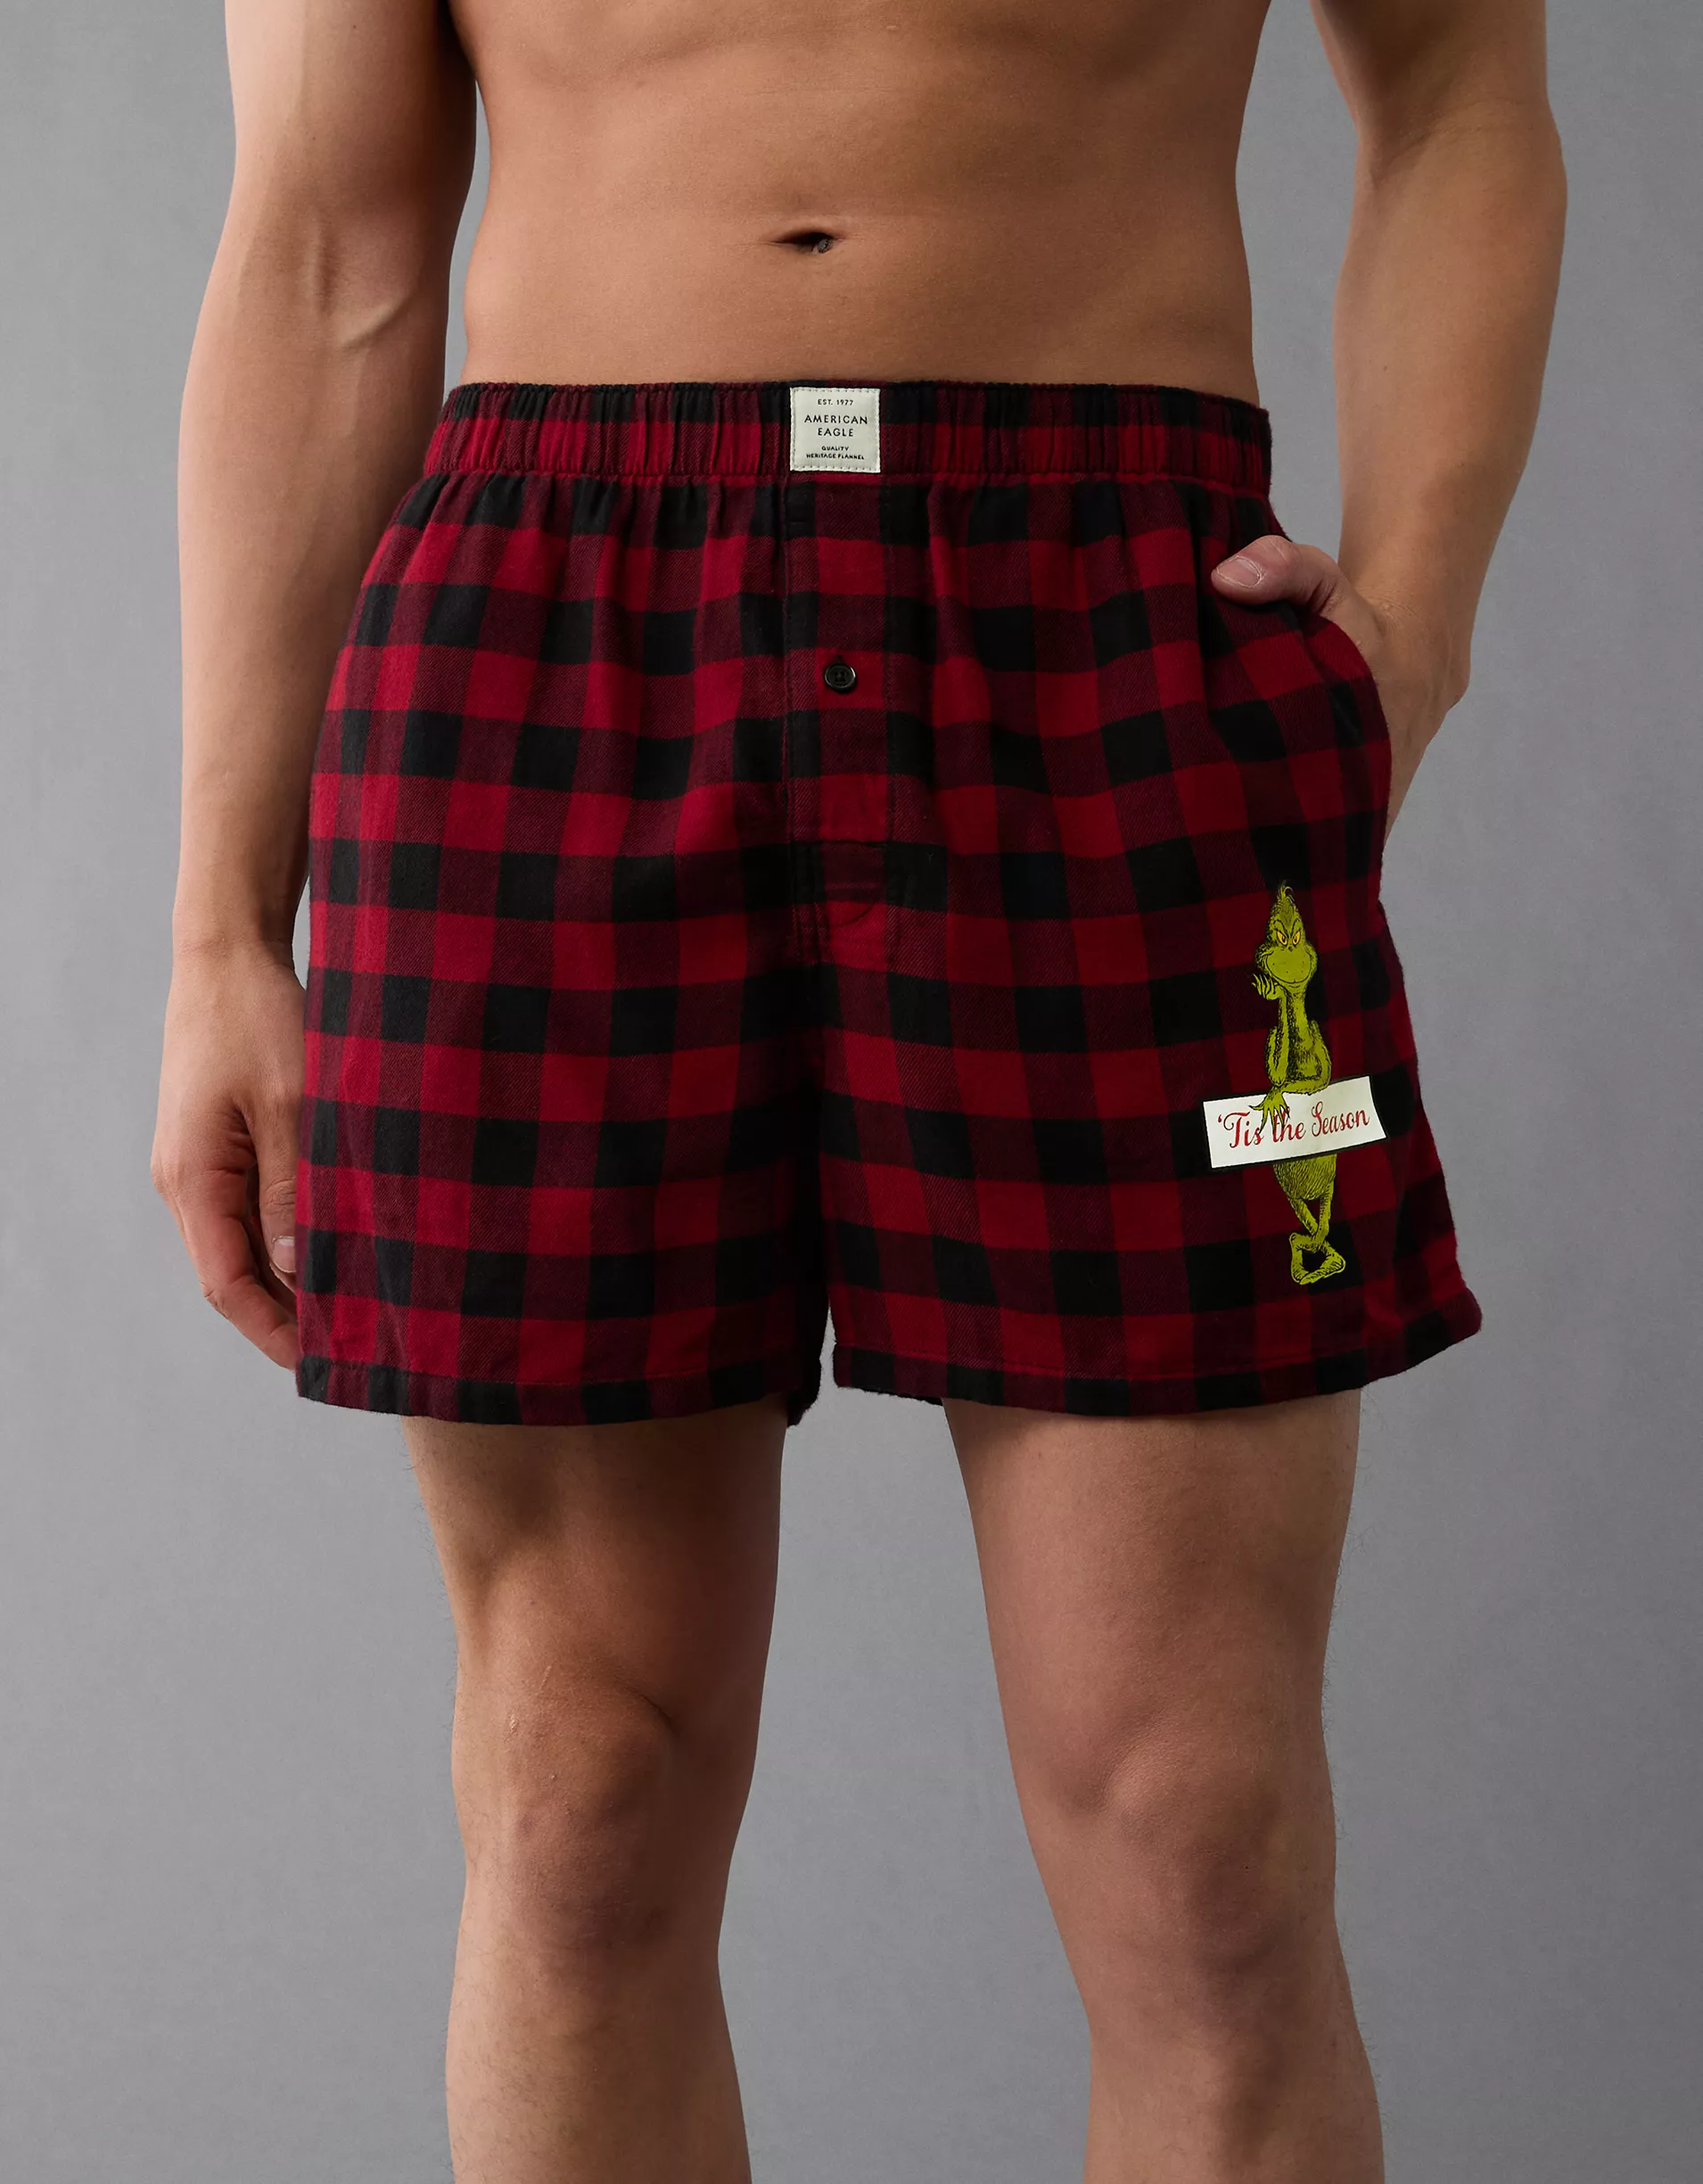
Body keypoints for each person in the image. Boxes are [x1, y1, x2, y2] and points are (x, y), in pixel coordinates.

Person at [151, 1, 1564, 2176]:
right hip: (549, 627)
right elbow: (326, 251)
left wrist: (1415, 632)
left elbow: (1462, 96)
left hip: (1108, 622)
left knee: (1198, 1829)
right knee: (580, 1793)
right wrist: (222, 927)